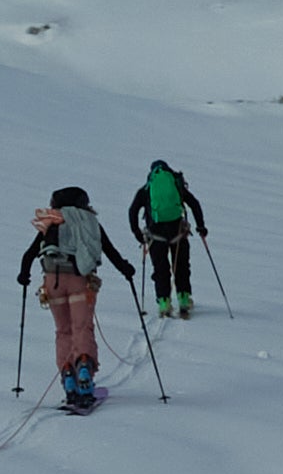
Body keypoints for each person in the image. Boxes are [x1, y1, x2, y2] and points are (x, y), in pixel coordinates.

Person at [19, 189, 128, 411]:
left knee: (63, 330)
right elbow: (110, 250)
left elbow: (30, 254)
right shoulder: (89, 222)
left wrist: (24, 275)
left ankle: (68, 375)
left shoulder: (52, 221)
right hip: (80, 280)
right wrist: (127, 270)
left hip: (53, 282)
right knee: (82, 327)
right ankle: (84, 372)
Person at [132, 159, 208, 318]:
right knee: (181, 265)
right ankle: (184, 298)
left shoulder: (147, 189)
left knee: (160, 268)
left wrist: (137, 233)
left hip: (156, 235)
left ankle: (164, 302)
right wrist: (201, 227)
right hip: (178, 233)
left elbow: (132, 211)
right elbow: (194, 204)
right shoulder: (177, 185)